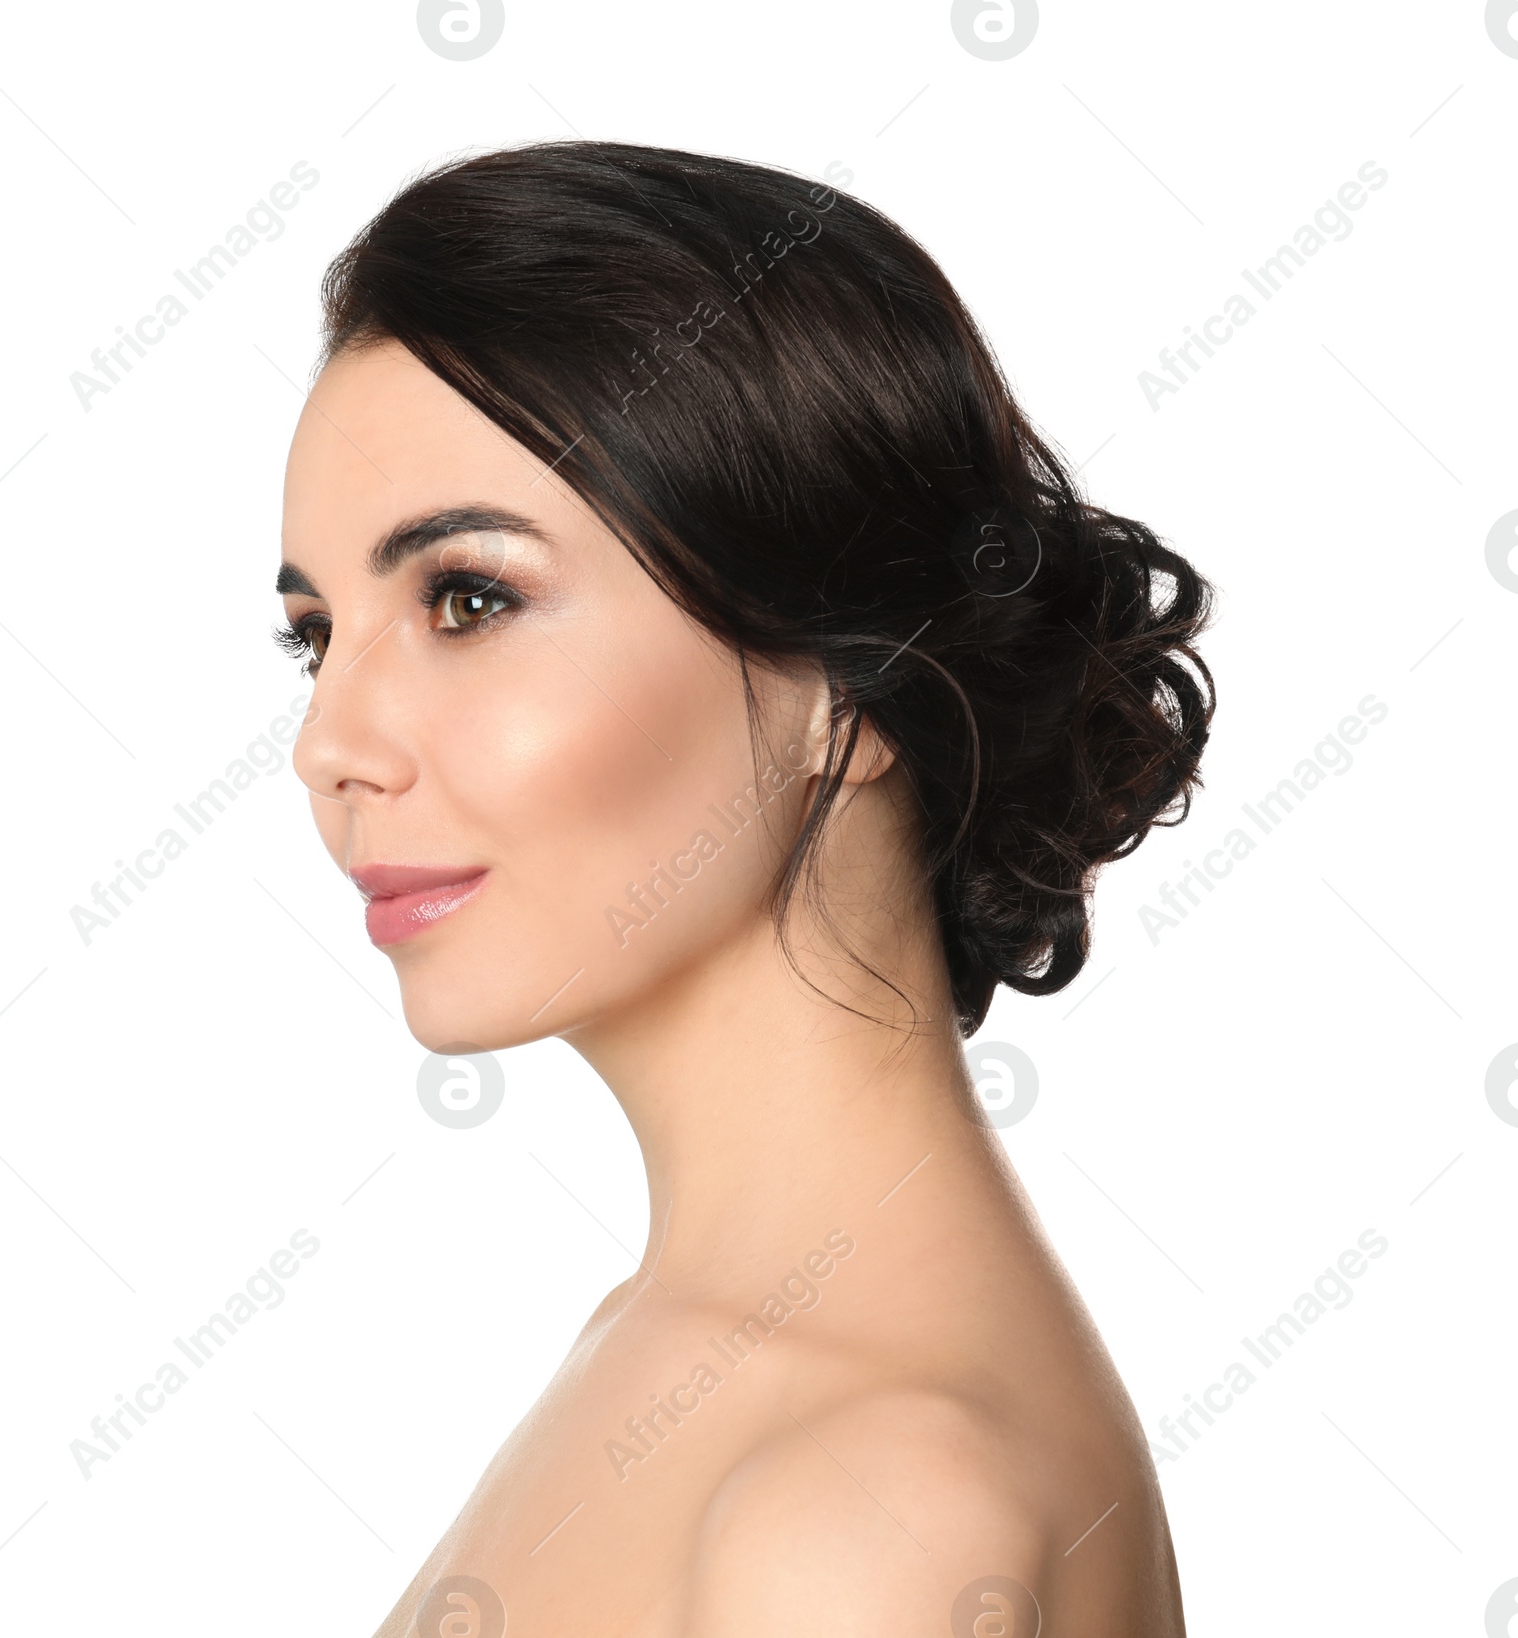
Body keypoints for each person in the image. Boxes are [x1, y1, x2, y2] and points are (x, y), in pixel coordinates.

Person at [275, 139, 1214, 1637]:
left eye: (467, 597)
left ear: (845, 690)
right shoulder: (665, 1352)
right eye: (319, 634)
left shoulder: (862, 1512)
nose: (331, 744)